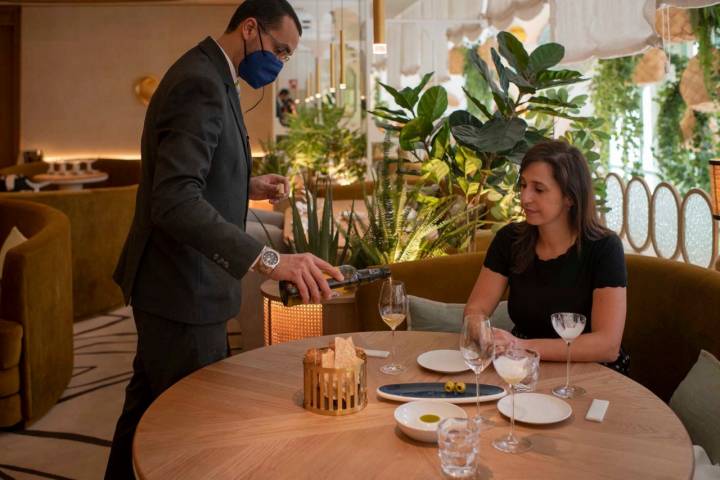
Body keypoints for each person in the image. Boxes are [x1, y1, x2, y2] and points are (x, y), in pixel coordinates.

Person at [106, 2, 343, 478]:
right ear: (249, 28)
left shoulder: (213, 73)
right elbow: (174, 201)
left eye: (287, 57)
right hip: (182, 289)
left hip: (174, 286)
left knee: (145, 412)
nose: (277, 64)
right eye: (278, 50)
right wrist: (270, 259)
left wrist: (245, 184)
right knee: (193, 430)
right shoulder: (201, 83)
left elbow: (193, 175)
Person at [464, 140, 629, 373]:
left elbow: (607, 345)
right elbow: (475, 309)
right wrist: (483, 332)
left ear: (569, 197)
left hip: (589, 370)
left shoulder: (604, 248)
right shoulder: (509, 240)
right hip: (521, 366)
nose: (525, 198)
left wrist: (520, 345)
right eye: (523, 186)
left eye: (538, 189)